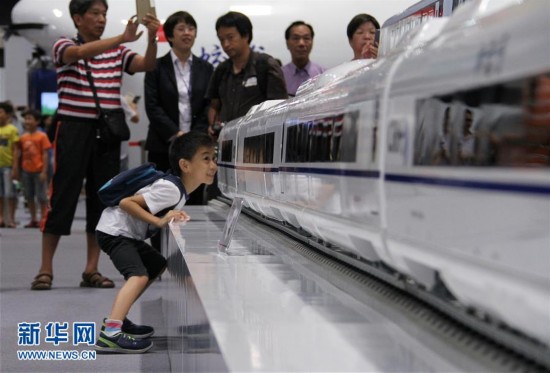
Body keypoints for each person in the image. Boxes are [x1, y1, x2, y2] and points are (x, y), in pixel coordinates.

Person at [31, 0, 160, 291]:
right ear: (77, 18)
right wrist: (121, 38)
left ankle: (92, 269)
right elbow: (76, 54)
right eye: (95, 14)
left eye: (104, 14)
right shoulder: (63, 44)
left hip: (107, 131)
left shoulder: (118, 50)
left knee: (103, 201)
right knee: (62, 195)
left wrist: (152, 37)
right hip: (73, 128)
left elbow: (146, 64)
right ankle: (45, 269)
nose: (101, 20)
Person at [94, 131, 218, 353]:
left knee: (156, 265)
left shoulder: (179, 191)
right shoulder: (171, 189)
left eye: (214, 157)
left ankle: (119, 320)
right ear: (185, 165)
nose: (213, 165)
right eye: (206, 158)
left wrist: (172, 217)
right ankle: (110, 333)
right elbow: (126, 203)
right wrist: (159, 221)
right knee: (139, 275)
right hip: (114, 231)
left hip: (122, 232)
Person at [144, 11, 213, 205]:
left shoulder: (206, 68)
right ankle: (160, 237)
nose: (187, 33)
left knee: (193, 202)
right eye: (181, 28)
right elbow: (152, 106)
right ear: (170, 35)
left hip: (196, 148)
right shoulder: (155, 67)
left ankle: (192, 237)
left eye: (191, 28)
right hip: (163, 145)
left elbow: (209, 104)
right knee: (161, 202)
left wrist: (192, 138)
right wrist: (176, 134)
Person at [207, 11, 288, 132]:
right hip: (226, 141)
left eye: (230, 37)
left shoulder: (265, 65)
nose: (226, 44)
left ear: (246, 35)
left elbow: (279, 109)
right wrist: (213, 126)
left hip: (259, 140)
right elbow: (214, 106)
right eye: (221, 39)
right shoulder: (221, 70)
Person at [19, 109, 52, 228]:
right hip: (26, 170)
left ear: (37, 121)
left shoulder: (42, 136)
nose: (27, 121)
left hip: (39, 170)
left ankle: (44, 218)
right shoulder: (23, 137)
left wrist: (44, 171)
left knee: (41, 196)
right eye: (26, 119)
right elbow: (20, 153)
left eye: (30, 119)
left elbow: (45, 154)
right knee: (29, 195)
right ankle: (33, 219)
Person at [282, 21, 325, 96]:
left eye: (306, 38)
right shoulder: (279, 76)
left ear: (312, 42)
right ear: (287, 43)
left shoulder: (323, 74)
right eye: (296, 38)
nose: (301, 43)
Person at [0, 101, 21, 228]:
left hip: (8, 166)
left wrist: (15, 167)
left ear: (7, 115)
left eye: (1, 112)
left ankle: (11, 219)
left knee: (10, 194)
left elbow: (16, 149)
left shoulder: (12, 129)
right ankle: (1, 218)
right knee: (0, 194)